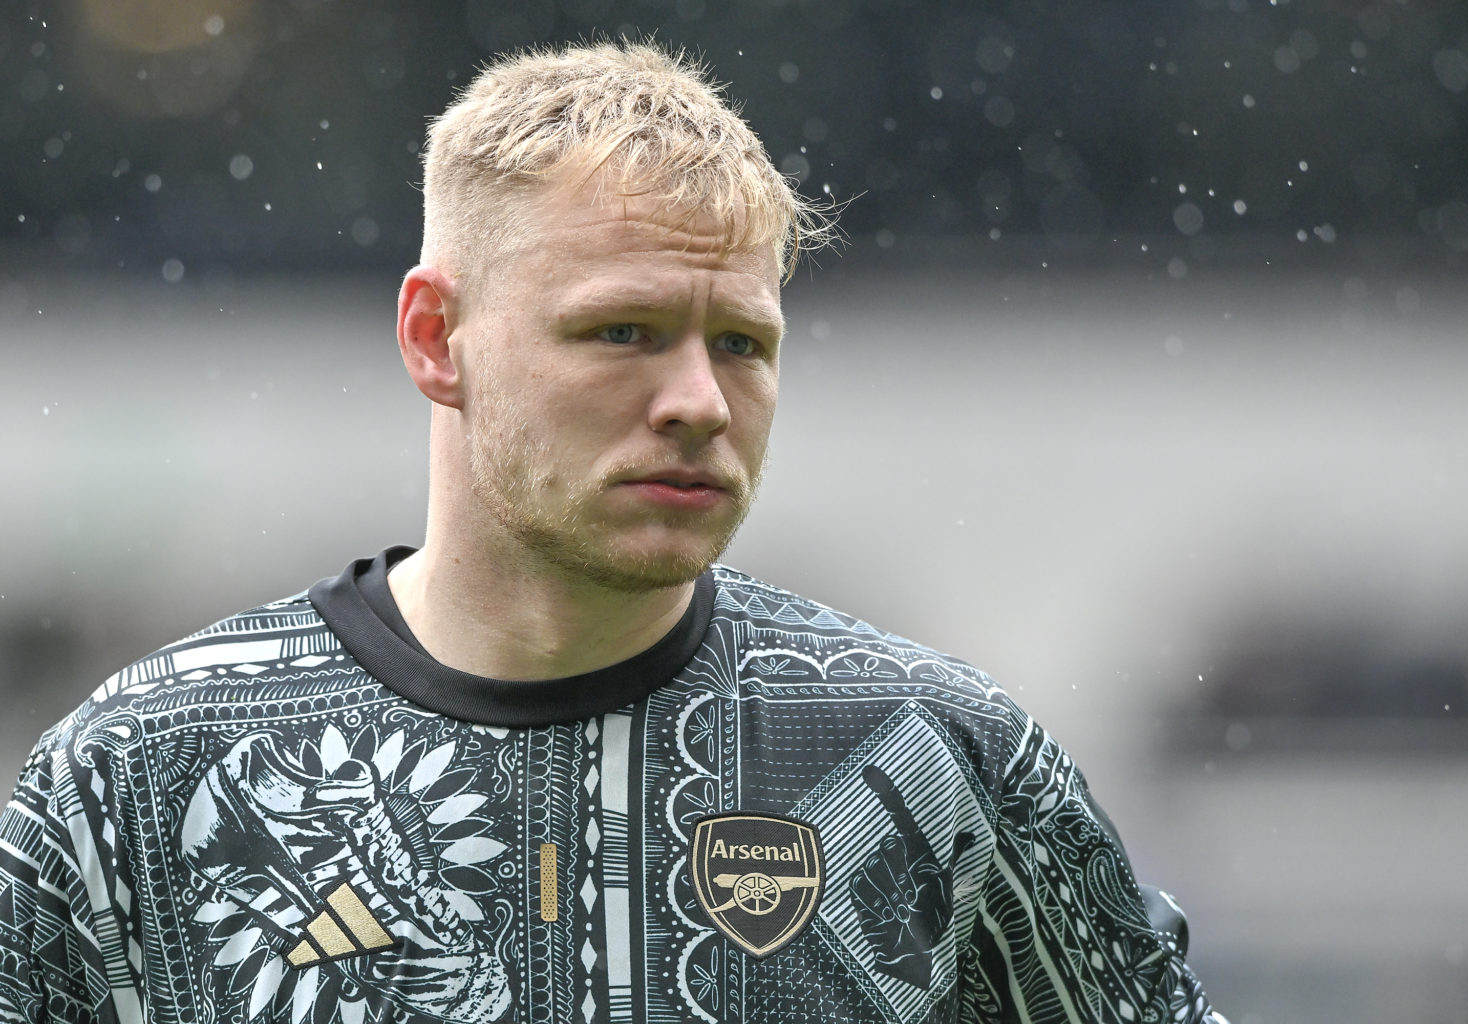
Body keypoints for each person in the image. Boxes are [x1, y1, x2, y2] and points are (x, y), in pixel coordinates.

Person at [0, 40, 1225, 1024]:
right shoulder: (131, 777)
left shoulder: (935, 756)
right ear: (436, 339)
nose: (700, 400)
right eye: (622, 331)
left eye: (742, 343)